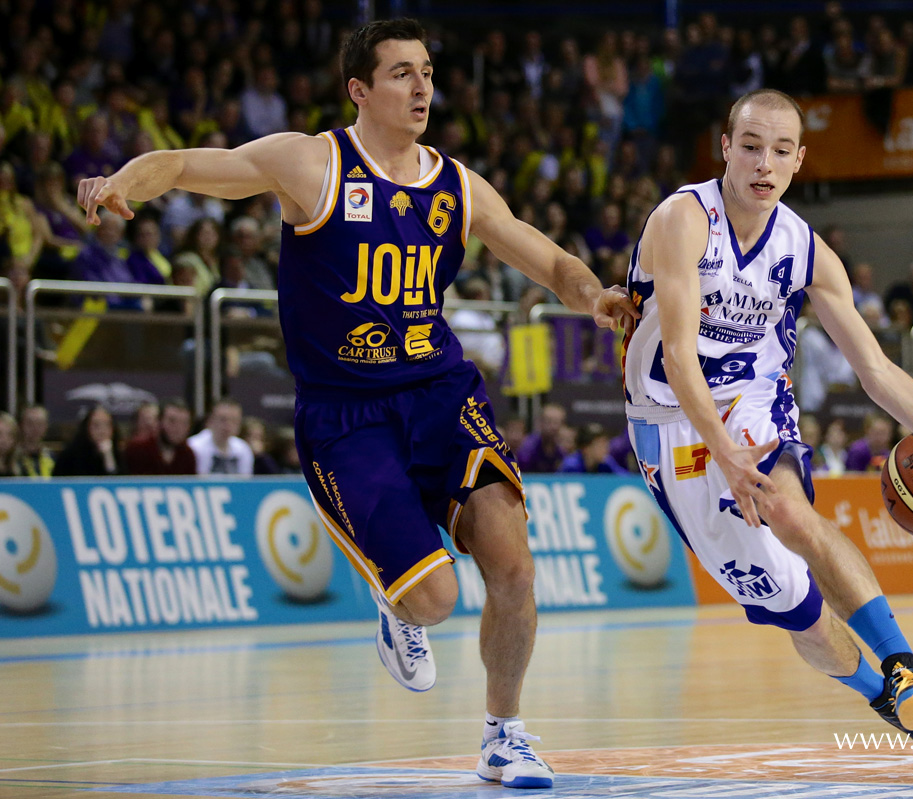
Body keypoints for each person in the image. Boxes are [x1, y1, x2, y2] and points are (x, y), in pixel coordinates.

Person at [78, 18, 633, 789]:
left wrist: (592, 294)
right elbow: (182, 164)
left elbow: (539, 252)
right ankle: (395, 598)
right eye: (402, 73)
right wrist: (118, 186)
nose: (422, 87)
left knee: (513, 564)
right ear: (359, 89)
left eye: (428, 72)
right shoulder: (311, 164)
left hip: (439, 391)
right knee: (434, 599)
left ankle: (504, 736)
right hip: (346, 413)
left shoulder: (455, 183)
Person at [622, 88, 913, 760]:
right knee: (797, 609)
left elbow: (877, 370)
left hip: (757, 398)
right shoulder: (684, 219)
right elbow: (679, 355)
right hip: (669, 415)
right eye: (750, 146)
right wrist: (722, 453)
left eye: (780, 150)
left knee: (789, 509)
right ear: (726, 148)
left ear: (801, 160)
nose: (764, 163)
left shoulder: (807, 250)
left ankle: (906, 665)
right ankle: (878, 690)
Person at [125, 398, 197, 475]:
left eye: (184, 423)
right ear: (159, 421)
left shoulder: (188, 455)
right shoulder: (137, 449)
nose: (178, 428)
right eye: (172, 421)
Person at [187, 398, 254, 476]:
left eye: (234, 420)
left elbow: (246, 482)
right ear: (210, 421)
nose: (228, 426)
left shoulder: (243, 449)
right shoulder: (193, 447)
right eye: (223, 420)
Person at [53, 405, 123, 477]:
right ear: (87, 427)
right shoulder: (70, 455)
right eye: (96, 425)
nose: (102, 431)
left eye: (107, 425)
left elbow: (121, 483)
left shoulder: (118, 455)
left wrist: (108, 457)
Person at [559, 423, 627, 474]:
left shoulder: (606, 462)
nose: (606, 449)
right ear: (586, 448)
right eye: (600, 445)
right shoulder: (571, 466)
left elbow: (626, 478)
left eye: (605, 444)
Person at [14, 405, 55, 477]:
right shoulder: (11, 458)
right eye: (30, 423)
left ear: (46, 426)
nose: (35, 428)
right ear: (20, 425)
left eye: (40, 424)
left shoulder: (52, 457)